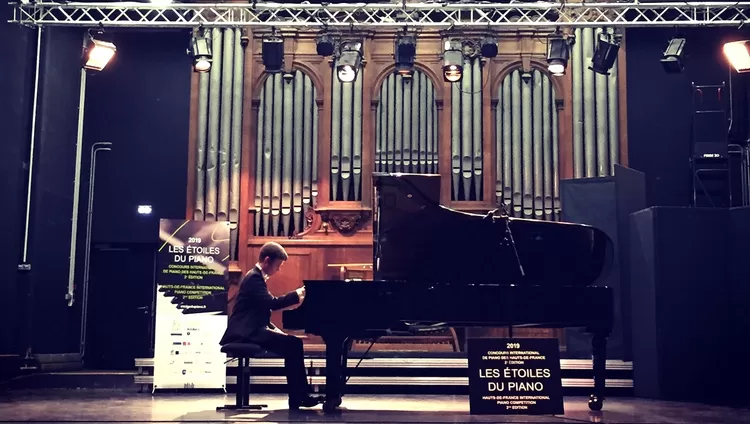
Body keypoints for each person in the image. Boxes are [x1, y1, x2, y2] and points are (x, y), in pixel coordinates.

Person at [219, 242, 323, 409]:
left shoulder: (255, 277)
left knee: (293, 344)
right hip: (246, 332)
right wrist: (297, 294)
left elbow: (260, 311)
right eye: (277, 265)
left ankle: (299, 397)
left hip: (253, 329)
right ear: (267, 261)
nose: (278, 269)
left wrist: (275, 330)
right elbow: (272, 304)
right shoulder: (254, 277)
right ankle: (299, 397)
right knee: (294, 345)